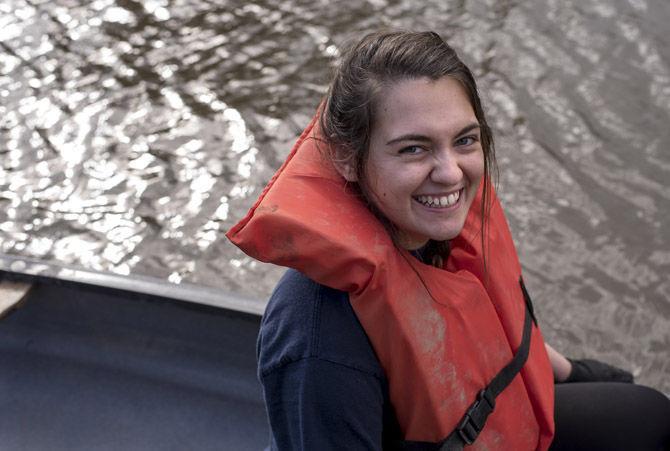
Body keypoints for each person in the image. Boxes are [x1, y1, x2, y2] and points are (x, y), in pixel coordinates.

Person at [227, 30, 670, 450]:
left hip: (494, 424)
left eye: (464, 140)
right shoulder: (318, 337)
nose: (451, 173)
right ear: (346, 157)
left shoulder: (432, 230)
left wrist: (577, 375)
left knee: (646, 416)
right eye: (413, 149)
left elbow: (492, 327)